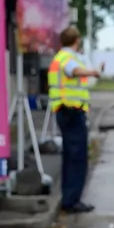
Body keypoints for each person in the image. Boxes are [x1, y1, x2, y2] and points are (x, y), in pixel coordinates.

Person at [48, 27, 103, 214]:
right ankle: (72, 200)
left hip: (66, 111)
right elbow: (74, 71)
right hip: (71, 112)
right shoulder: (67, 58)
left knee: (71, 156)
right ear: (77, 40)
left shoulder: (60, 57)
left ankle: (70, 198)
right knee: (77, 157)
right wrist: (94, 72)